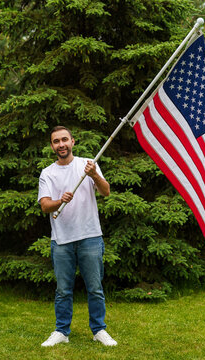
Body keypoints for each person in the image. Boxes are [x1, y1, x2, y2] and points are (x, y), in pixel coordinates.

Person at [38, 126, 117, 347]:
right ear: (52, 146)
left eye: (65, 140)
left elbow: (106, 191)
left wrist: (93, 175)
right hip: (61, 239)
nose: (61, 144)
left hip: (90, 236)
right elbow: (45, 205)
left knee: (95, 288)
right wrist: (60, 200)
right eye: (56, 141)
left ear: (73, 142)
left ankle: (99, 330)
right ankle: (61, 331)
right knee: (63, 290)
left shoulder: (88, 164)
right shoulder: (48, 173)